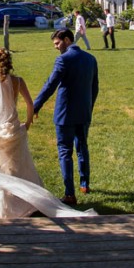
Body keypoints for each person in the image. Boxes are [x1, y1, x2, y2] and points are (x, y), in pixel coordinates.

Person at [0, 48, 95, 219]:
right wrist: (27, 124)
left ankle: (6, 202)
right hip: (14, 129)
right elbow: (29, 104)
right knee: (19, 167)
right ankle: (26, 201)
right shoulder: (18, 81)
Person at [33, 28, 99, 206]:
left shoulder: (63, 59)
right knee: (82, 147)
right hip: (84, 112)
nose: (56, 47)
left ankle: (69, 194)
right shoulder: (91, 59)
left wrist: (34, 107)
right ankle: (84, 184)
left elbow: (50, 85)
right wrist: (88, 108)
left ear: (67, 40)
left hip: (65, 114)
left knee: (64, 151)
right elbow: (95, 88)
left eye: (57, 43)